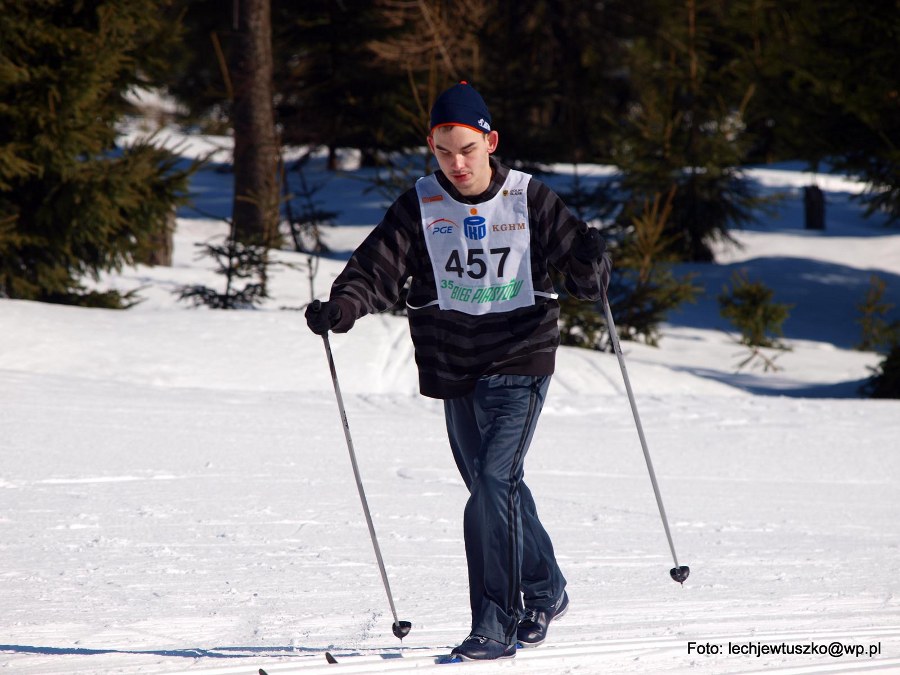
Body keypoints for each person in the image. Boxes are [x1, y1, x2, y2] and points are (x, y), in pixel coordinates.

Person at [305, 81, 611, 661]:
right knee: (493, 488)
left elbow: (586, 279)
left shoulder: (528, 198)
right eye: (444, 152)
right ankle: (547, 587)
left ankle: (495, 624)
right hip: (455, 363)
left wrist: (590, 261)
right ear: (431, 147)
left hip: (520, 357)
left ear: (490, 141)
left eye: (467, 149)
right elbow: (376, 266)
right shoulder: (422, 203)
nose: (457, 164)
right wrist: (342, 307)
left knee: (494, 483)